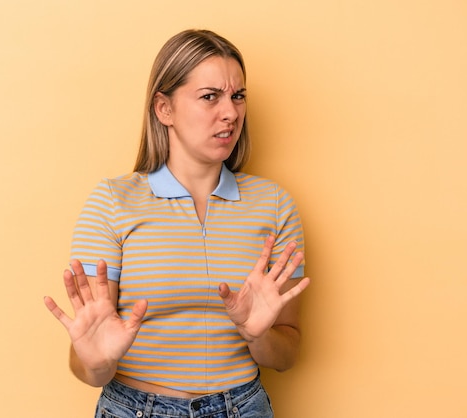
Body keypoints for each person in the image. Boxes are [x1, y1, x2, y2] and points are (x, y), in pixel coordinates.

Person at [44, 28, 310, 418]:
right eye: (209, 97)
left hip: (243, 407)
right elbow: (88, 365)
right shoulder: (112, 201)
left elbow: (286, 355)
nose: (231, 113)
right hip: (134, 409)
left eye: (238, 96)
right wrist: (97, 361)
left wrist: (259, 337)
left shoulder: (274, 204)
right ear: (163, 108)